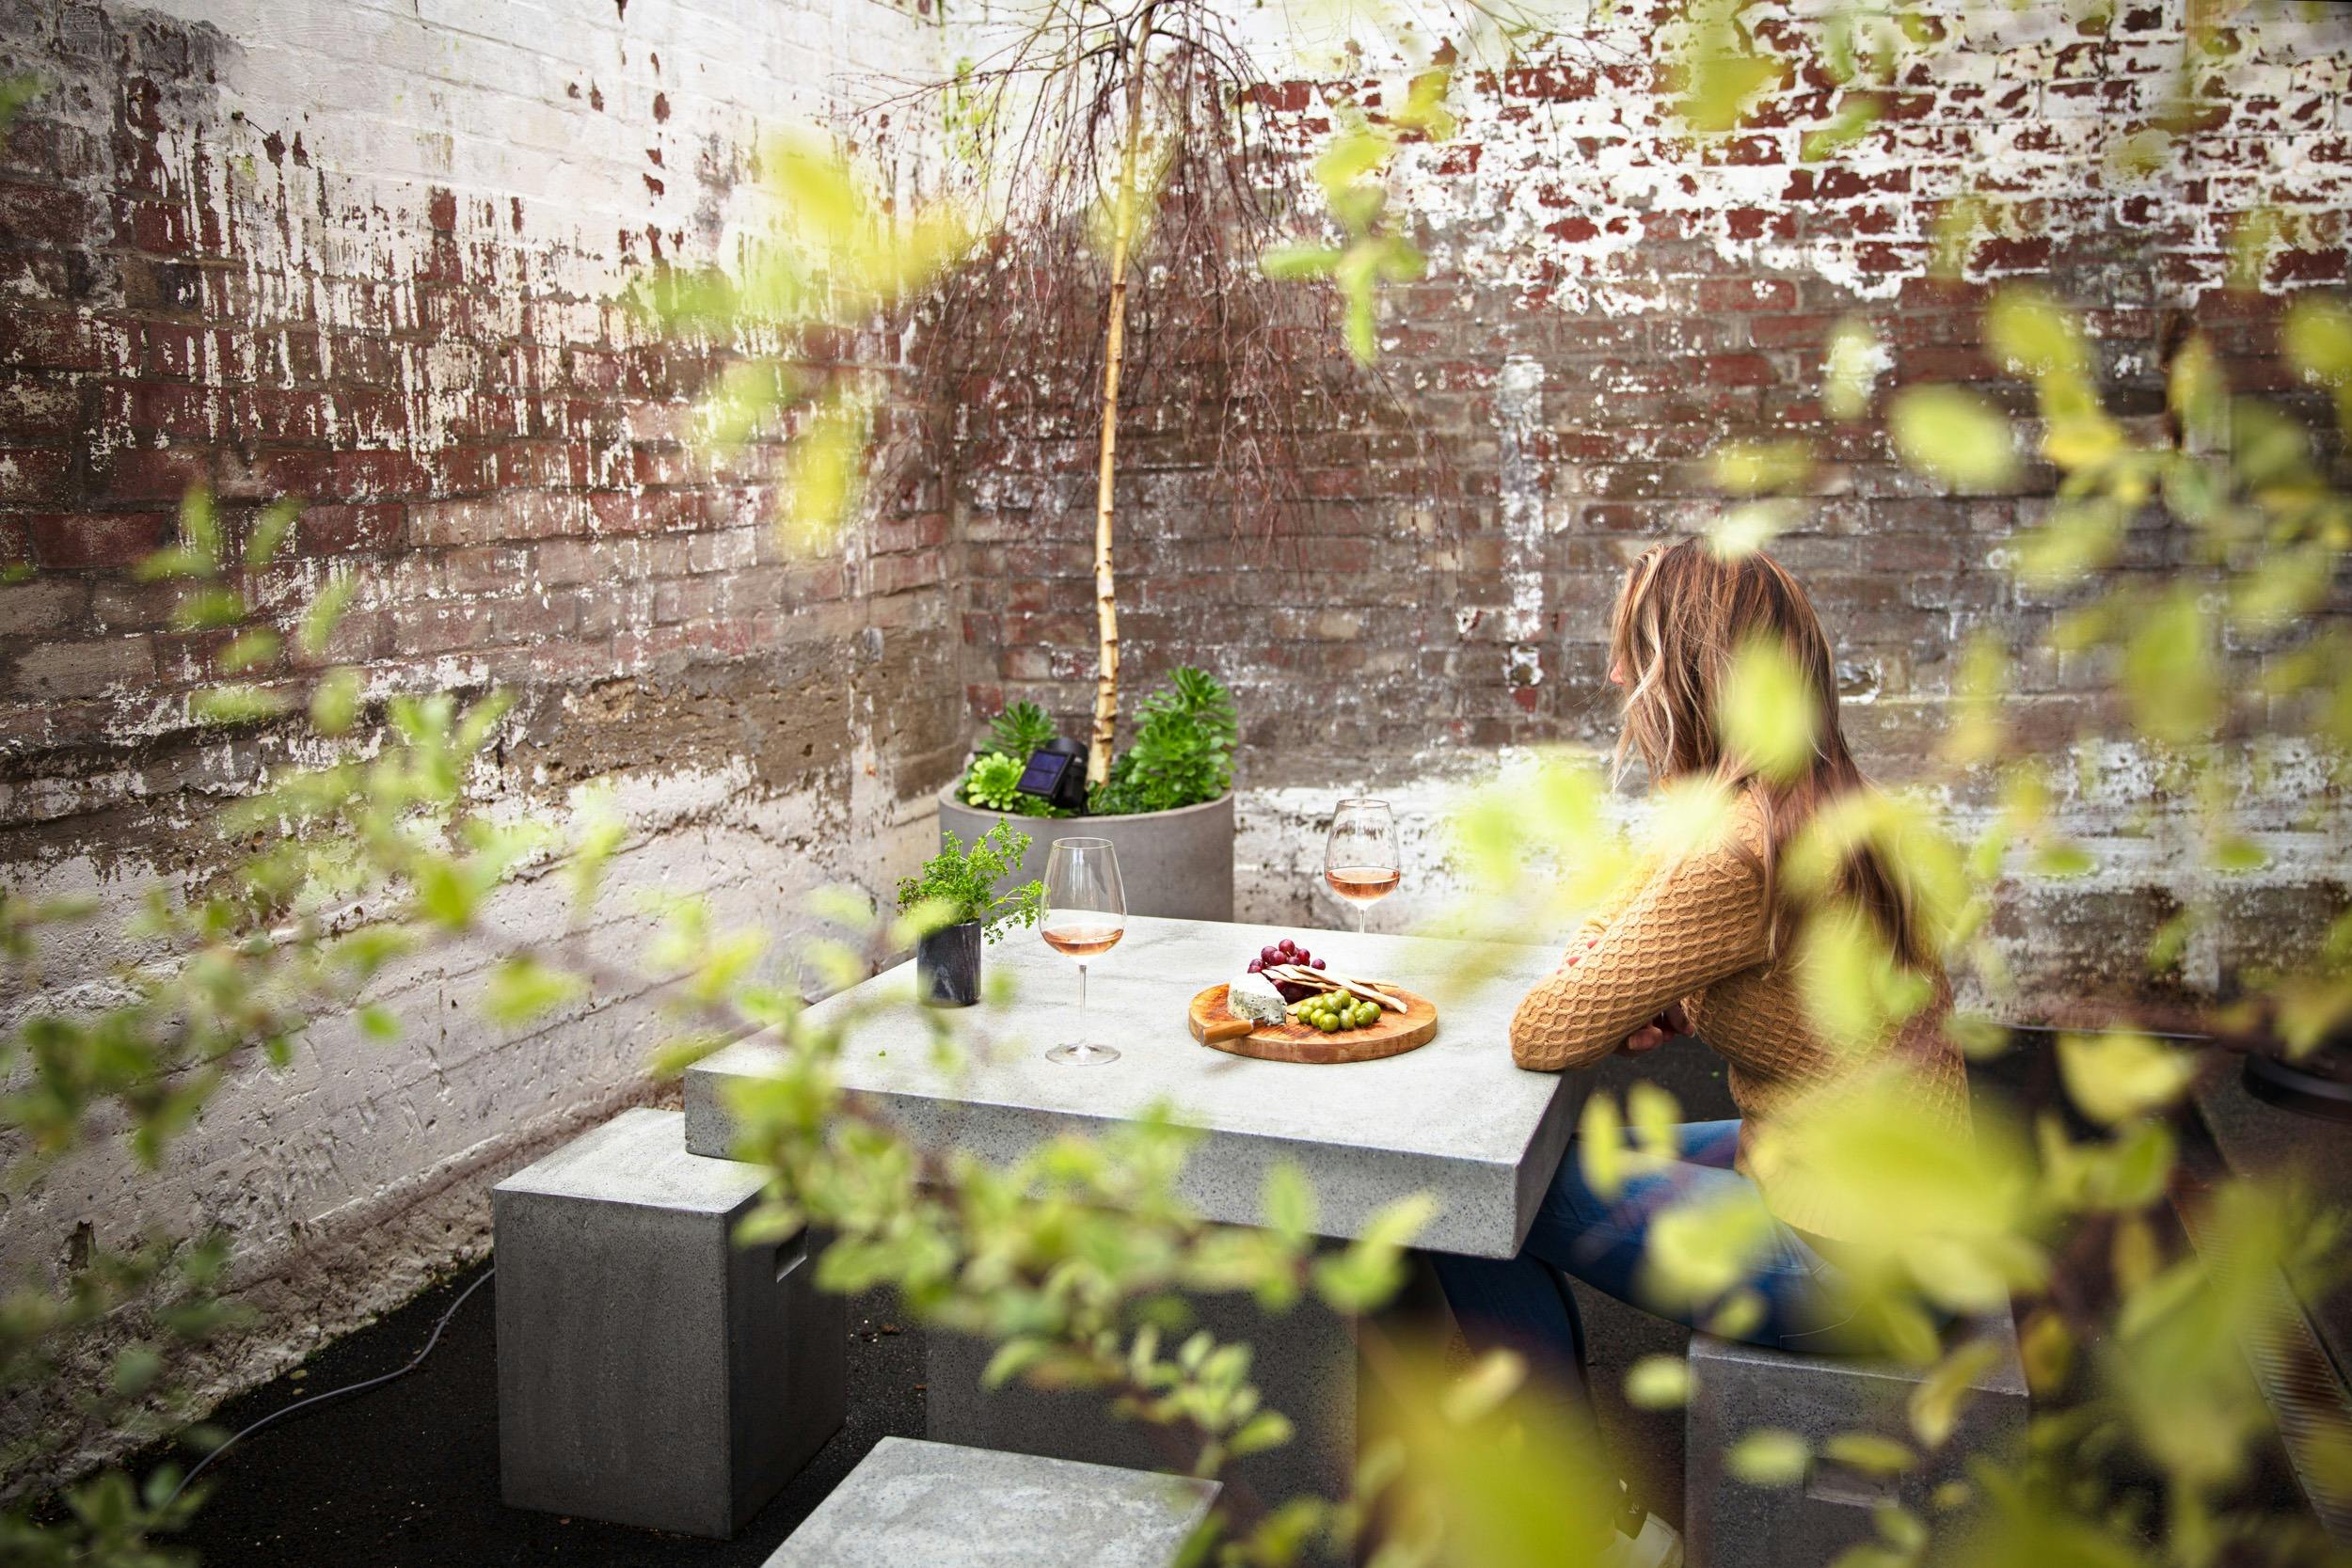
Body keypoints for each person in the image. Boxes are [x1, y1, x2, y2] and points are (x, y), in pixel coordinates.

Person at [1430, 538, 1973, 1568]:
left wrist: (1630, 983)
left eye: (1629, 649)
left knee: (1471, 1198)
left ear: (1686, 668)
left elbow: (1547, 1025)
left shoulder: (1735, 844)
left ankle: (1591, 1533)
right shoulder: (1816, 799)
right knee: (1542, 1169)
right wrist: (1658, 983)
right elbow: (1651, 945)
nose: (1611, 676)